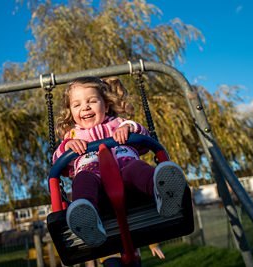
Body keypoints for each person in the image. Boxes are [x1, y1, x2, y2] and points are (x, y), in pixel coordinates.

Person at [53, 76, 187, 247]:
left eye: (92, 101)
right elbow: (58, 164)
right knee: (82, 179)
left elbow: (145, 140)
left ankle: (163, 194)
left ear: (106, 105)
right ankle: (86, 216)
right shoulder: (72, 137)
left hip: (129, 177)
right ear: (70, 112)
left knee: (138, 168)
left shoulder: (119, 123)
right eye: (77, 104)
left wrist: (130, 129)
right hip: (96, 186)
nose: (85, 107)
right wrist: (67, 147)